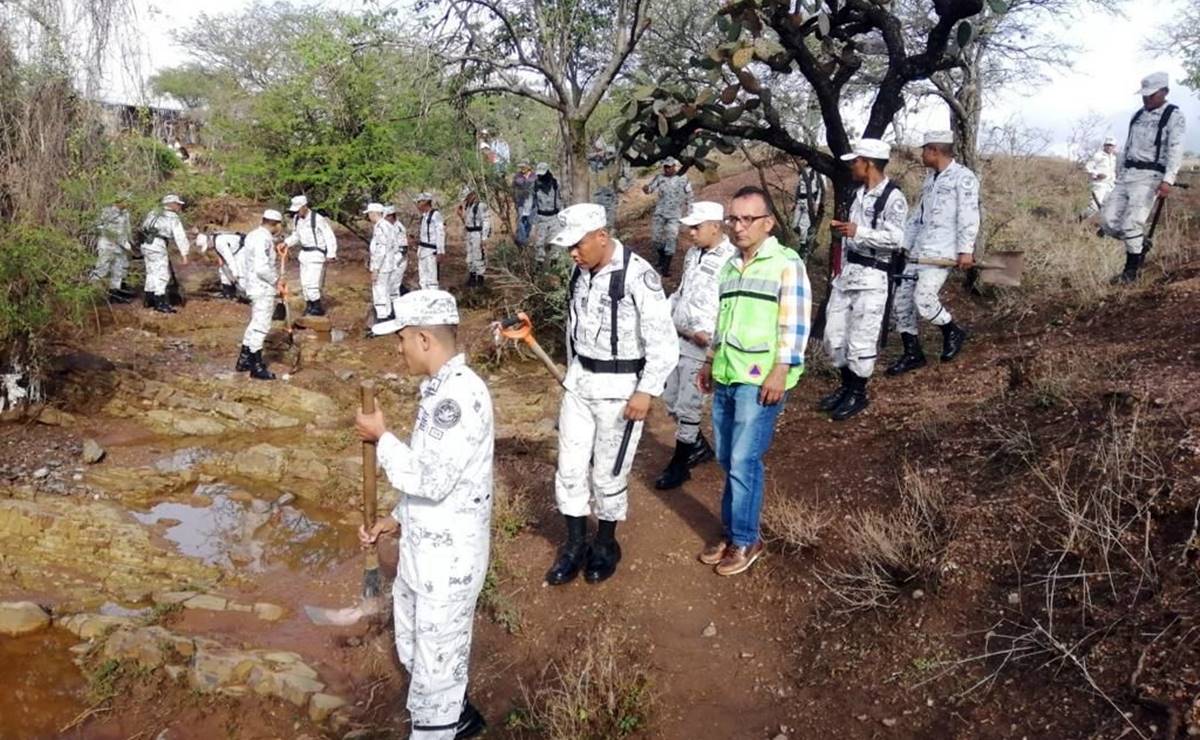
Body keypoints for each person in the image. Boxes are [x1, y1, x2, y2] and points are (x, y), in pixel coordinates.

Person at [357, 289, 492, 740]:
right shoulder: (436, 390)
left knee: (435, 673)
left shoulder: (459, 397)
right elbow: (432, 472)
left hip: (448, 563)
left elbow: (432, 480)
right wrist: (394, 519)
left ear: (424, 339)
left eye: (401, 340)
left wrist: (382, 438)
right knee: (416, 650)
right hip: (423, 551)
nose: (398, 350)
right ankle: (461, 717)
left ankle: (438, 726)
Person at [544, 204, 678, 586]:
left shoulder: (637, 276)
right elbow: (575, 328)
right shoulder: (580, 271)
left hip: (620, 393)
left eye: (578, 244)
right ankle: (574, 544)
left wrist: (646, 391)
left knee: (608, 472)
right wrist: (572, 373)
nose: (572, 253)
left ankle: (604, 544)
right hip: (581, 384)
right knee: (569, 468)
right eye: (568, 246)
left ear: (601, 236)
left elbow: (664, 344)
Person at [697, 186, 810, 576]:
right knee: (727, 458)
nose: (738, 226)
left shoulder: (785, 263)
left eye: (748, 219)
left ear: (768, 223)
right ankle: (732, 533)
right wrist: (711, 359)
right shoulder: (730, 266)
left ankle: (746, 539)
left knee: (745, 460)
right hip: (728, 373)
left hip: (760, 379)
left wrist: (782, 369)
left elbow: (796, 322)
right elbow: (722, 320)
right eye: (733, 218)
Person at [821, 139, 908, 421]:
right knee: (833, 337)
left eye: (855, 161)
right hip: (847, 275)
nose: (851, 166)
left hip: (872, 277)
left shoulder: (893, 197)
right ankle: (846, 384)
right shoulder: (857, 193)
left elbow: (896, 239)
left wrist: (859, 232)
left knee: (861, 340)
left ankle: (857, 391)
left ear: (868, 162)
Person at [654, 201, 736, 490]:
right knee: (671, 400)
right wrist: (663, 315)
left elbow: (731, 305)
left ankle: (679, 464)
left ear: (715, 226)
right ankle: (698, 447)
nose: (690, 232)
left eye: (696, 226)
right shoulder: (692, 254)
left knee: (689, 406)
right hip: (678, 336)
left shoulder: (732, 259)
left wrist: (715, 345)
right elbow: (682, 290)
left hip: (704, 345)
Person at [886, 131, 978, 376]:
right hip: (918, 251)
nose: (921, 154)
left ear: (935, 151)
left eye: (925, 149)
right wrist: (902, 245)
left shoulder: (964, 178)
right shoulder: (930, 179)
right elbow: (918, 216)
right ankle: (912, 353)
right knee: (901, 301)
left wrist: (965, 250)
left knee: (924, 299)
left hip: (942, 250)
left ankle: (952, 331)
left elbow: (969, 217)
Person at [1101, 71, 1186, 284]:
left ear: (1164, 92)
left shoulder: (1174, 116)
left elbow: (1176, 149)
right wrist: (1118, 173)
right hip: (1127, 175)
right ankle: (1139, 243)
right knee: (1108, 221)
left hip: (1150, 177)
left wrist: (1168, 180)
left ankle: (1130, 273)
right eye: (1144, 95)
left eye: (1151, 94)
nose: (1146, 98)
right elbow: (1128, 146)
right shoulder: (1137, 115)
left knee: (1132, 223)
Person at [235, 210, 285, 381]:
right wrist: (276, 280)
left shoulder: (252, 235)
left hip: (253, 285)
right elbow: (262, 268)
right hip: (262, 287)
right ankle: (256, 366)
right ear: (276, 224)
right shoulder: (263, 239)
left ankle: (244, 360)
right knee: (261, 326)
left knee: (255, 323)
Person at [283, 195, 338, 317]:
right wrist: (286, 243)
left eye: (299, 209)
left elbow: (329, 236)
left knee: (312, 283)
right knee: (304, 283)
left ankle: (317, 308)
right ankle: (309, 305)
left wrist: (331, 253)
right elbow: (296, 236)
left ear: (304, 206)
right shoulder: (297, 219)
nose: (297, 212)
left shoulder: (317, 219)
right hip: (304, 254)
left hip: (316, 253)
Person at [139, 194, 190, 314]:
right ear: (170, 204)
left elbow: (143, 227)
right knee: (162, 273)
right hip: (157, 245)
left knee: (151, 271)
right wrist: (185, 254)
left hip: (146, 244)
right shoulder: (172, 217)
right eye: (177, 204)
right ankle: (160, 302)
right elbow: (180, 236)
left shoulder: (152, 213)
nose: (179, 207)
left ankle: (149, 299)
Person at [643, 157, 694, 277]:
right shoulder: (659, 178)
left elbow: (690, 195)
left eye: (669, 166)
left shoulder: (683, 178)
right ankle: (661, 258)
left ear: (674, 166)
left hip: (675, 214)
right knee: (656, 239)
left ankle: (666, 267)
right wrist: (646, 189)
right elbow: (650, 189)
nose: (667, 169)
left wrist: (690, 212)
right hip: (660, 212)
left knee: (671, 238)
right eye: (665, 166)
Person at [91, 195, 134, 303]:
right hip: (107, 245)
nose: (128, 204)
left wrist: (129, 243)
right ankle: (92, 293)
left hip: (121, 246)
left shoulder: (125, 213)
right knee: (102, 268)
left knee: (118, 270)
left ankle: (115, 294)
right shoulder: (107, 211)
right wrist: (109, 234)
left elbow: (127, 230)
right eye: (126, 201)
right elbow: (97, 225)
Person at [365, 202, 397, 322]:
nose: (369, 216)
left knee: (379, 290)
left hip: (383, 265)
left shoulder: (381, 227)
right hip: (388, 263)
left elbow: (381, 250)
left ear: (374, 213)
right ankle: (387, 314)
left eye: (369, 213)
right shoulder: (387, 225)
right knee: (385, 290)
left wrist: (376, 269)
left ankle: (382, 317)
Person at [528, 163, 562, 263]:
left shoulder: (556, 184)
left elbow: (561, 199)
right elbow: (532, 204)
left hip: (554, 217)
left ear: (548, 172)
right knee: (539, 243)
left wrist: (562, 217)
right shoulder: (534, 185)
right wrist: (532, 222)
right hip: (541, 217)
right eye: (539, 174)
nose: (541, 176)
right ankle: (539, 265)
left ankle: (554, 263)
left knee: (556, 241)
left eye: (543, 174)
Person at [1078, 137, 1118, 222]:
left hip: (1110, 185)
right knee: (1094, 206)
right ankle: (1079, 219)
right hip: (1099, 184)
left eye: (1112, 145)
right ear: (1104, 145)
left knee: (1109, 206)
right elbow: (1087, 168)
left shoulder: (1114, 157)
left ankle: (1104, 228)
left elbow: (1112, 171)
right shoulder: (1098, 155)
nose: (1110, 147)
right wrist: (1096, 174)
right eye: (1108, 145)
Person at [457, 187, 491, 287]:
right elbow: (468, 222)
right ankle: (472, 277)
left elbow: (486, 221)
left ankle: (480, 278)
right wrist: (461, 215)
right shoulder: (468, 207)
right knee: (470, 257)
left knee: (478, 256)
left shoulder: (481, 206)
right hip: (469, 233)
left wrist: (484, 237)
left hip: (477, 233)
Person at [414, 193, 444, 290]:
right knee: (423, 278)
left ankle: (433, 299)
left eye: (419, 202)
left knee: (432, 278)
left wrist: (440, 251)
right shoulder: (424, 216)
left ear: (425, 202)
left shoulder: (435, 215)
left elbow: (440, 233)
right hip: (422, 250)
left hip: (431, 251)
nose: (418, 204)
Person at [791, 161, 822, 250]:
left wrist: (817, 203)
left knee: (803, 225)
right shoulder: (802, 172)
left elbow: (820, 189)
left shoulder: (816, 173)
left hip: (810, 201)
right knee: (794, 225)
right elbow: (798, 188)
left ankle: (803, 246)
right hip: (800, 200)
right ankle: (808, 238)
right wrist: (795, 201)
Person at [385, 205, 409, 300]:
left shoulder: (398, 228)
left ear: (391, 216)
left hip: (398, 262)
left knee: (393, 287)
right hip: (390, 261)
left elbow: (403, 249)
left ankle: (394, 309)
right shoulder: (388, 227)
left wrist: (393, 262)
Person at [512, 163, 535, 246]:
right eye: (521, 167)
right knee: (520, 221)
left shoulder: (534, 176)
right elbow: (514, 188)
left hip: (532, 204)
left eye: (524, 167)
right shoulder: (517, 177)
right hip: (521, 203)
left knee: (529, 222)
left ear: (529, 167)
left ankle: (525, 238)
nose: (522, 168)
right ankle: (523, 240)